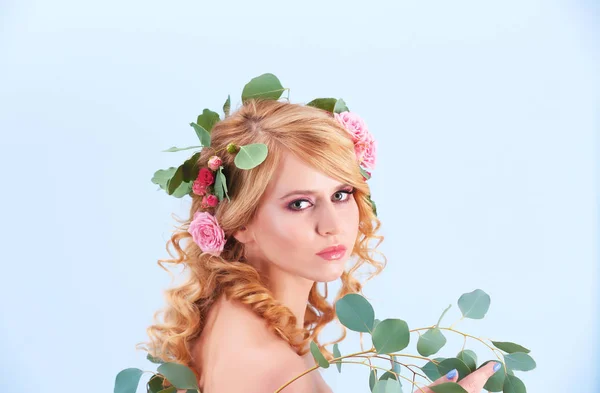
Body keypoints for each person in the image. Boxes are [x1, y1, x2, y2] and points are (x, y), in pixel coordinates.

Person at [137, 97, 503, 392]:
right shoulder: (270, 369)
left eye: (342, 194)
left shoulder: (234, 314)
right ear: (241, 223)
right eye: (299, 203)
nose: (332, 226)